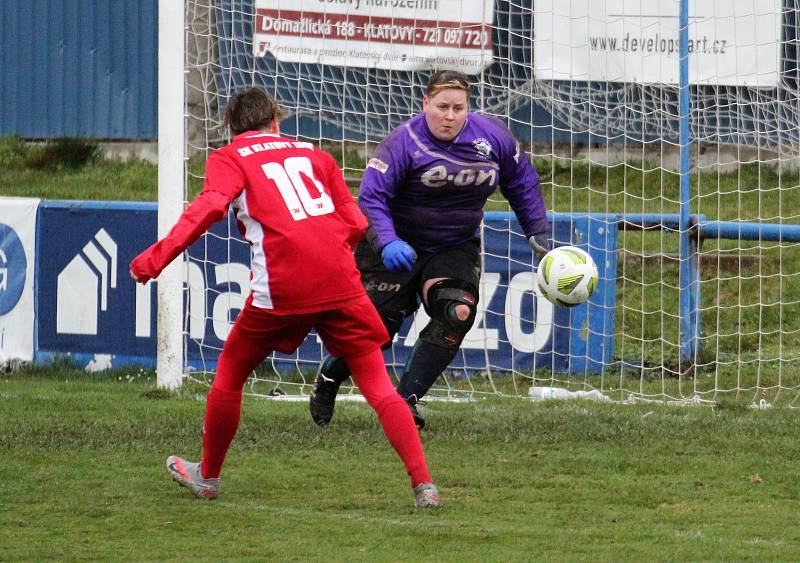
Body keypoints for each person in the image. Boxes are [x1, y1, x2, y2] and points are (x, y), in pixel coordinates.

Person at [129, 87, 440, 508]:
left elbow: (208, 207)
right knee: (379, 386)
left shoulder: (229, 157)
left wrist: (154, 259)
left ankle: (208, 475)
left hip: (283, 283)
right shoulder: (316, 154)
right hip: (339, 279)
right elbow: (353, 221)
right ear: (276, 121)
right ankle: (424, 485)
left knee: (231, 371)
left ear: (230, 129)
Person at [309, 70, 549, 429]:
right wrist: (387, 241)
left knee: (459, 313)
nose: (449, 116)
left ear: (469, 108)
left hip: (453, 245)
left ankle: (404, 402)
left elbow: (522, 181)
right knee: (375, 331)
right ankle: (330, 376)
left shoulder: (493, 137)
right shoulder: (402, 142)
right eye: (442, 107)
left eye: (458, 108)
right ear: (425, 104)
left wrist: (537, 233)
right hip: (395, 245)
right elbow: (372, 198)